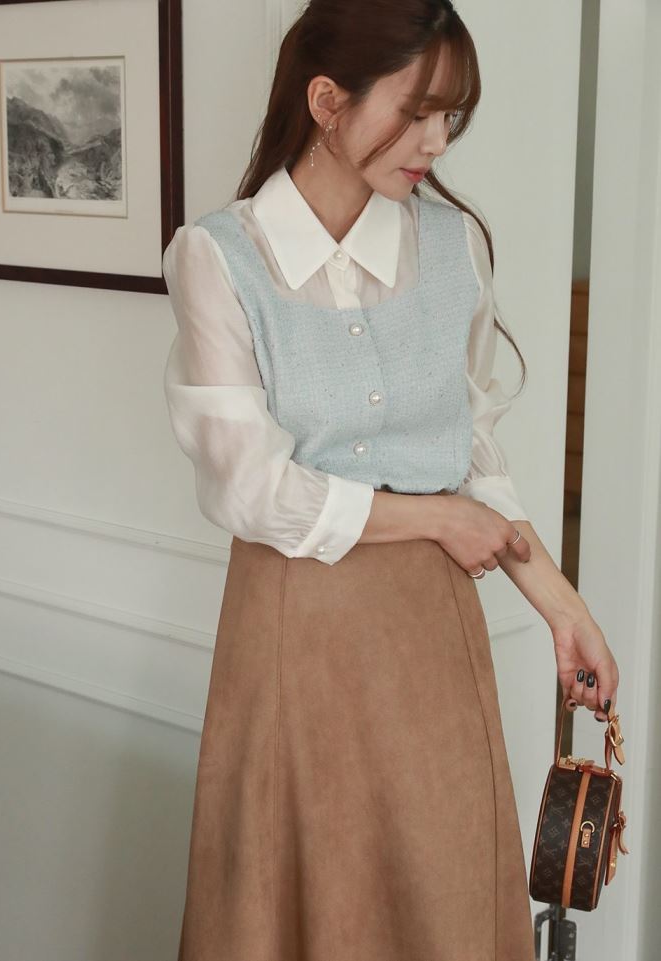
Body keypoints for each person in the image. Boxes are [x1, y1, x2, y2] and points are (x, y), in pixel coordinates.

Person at [162, 2, 620, 958]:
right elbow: (251, 488)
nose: (437, 141)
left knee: (440, 900)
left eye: (452, 116)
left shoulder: (455, 247)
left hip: (431, 637)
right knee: (300, 908)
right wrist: (437, 518)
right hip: (293, 634)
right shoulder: (220, 258)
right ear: (327, 102)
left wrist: (560, 603)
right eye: (416, 113)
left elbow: (472, 451)